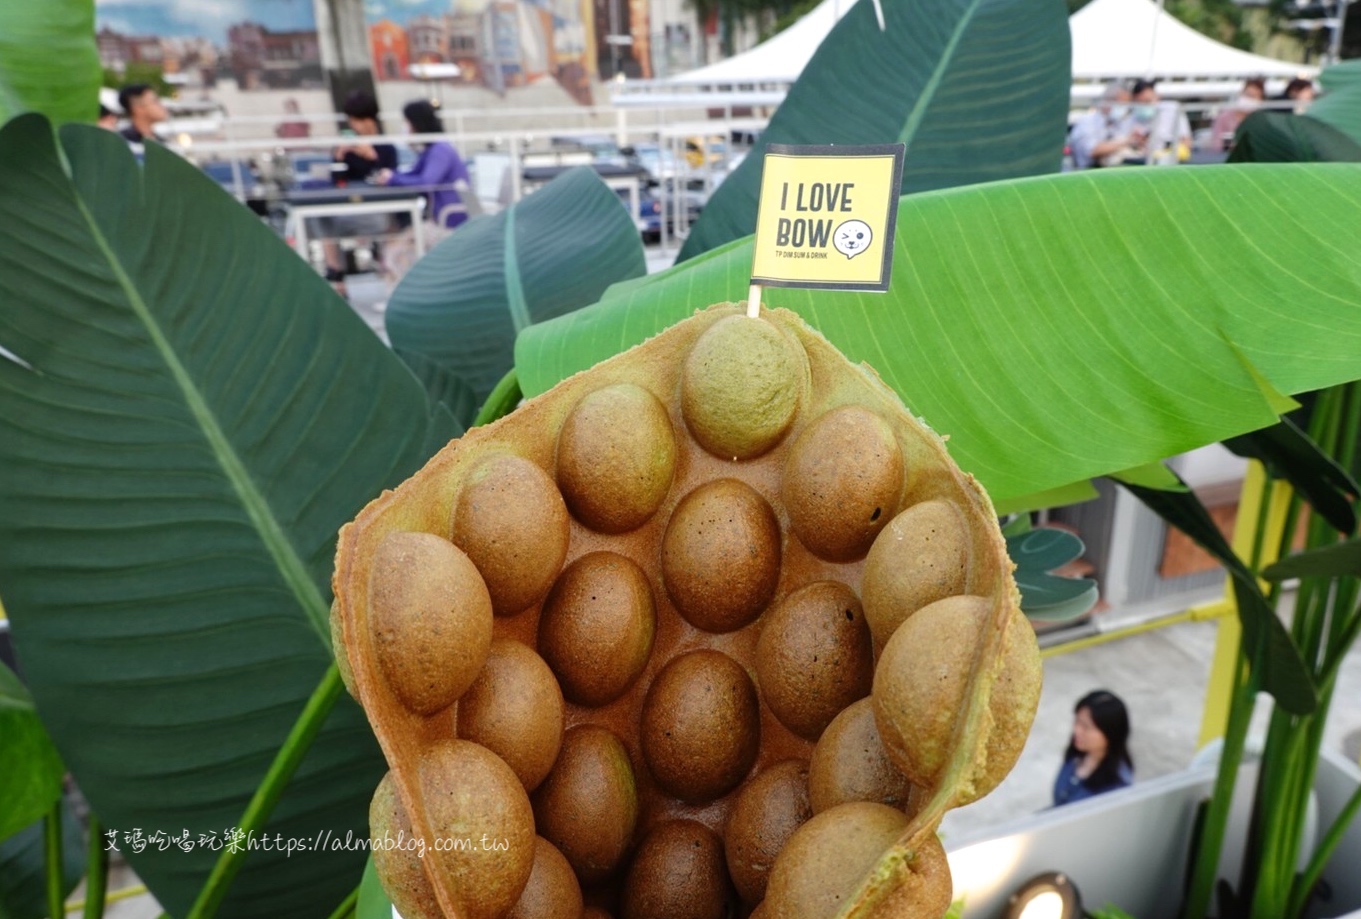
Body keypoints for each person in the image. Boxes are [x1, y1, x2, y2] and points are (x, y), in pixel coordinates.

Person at [375, 100, 473, 229]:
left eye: (407, 122)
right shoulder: (431, 149)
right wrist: (392, 176)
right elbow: (415, 173)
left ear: (416, 124)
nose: (405, 127)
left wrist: (393, 178)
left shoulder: (440, 150)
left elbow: (426, 183)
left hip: (448, 220)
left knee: (395, 243)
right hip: (439, 216)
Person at [1053, 689, 1133, 807]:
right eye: (1077, 722)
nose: (1077, 731)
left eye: (1086, 727)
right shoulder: (1077, 753)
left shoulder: (1117, 787)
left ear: (1111, 733)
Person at [331, 90, 397, 183]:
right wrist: (339, 158)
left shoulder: (387, 148)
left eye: (355, 121)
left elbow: (391, 181)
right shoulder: (349, 148)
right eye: (350, 121)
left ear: (369, 121)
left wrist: (373, 158)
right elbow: (336, 182)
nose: (352, 125)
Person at [1068, 83, 1136, 169]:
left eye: (1127, 105)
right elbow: (1093, 151)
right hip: (1086, 171)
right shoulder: (1088, 122)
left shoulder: (1117, 123)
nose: (1124, 109)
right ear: (1109, 101)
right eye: (1122, 104)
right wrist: (1126, 142)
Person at [1211, 78, 1266, 151]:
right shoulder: (1224, 117)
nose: (1249, 100)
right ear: (1241, 93)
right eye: (1248, 95)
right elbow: (1216, 143)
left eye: (1254, 97)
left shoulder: (1261, 120)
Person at [116, 83, 168, 148]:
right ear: (138, 108)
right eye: (155, 101)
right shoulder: (122, 142)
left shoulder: (160, 142)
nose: (162, 106)